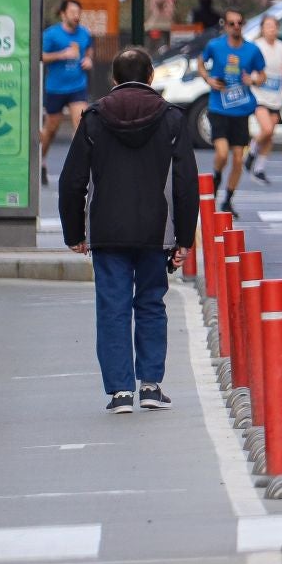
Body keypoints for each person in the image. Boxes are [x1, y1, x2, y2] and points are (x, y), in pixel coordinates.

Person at [58, 46, 199, 415]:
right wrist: (185, 238)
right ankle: (150, 385)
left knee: (113, 308)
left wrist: (74, 232)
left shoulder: (93, 118)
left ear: (114, 79)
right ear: (151, 76)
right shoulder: (171, 119)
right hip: (157, 230)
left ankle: (120, 391)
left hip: (107, 229)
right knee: (151, 304)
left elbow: (72, 180)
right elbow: (186, 182)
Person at [199, 9, 266, 216]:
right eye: (231, 23)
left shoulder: (252, 50)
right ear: (225, 26)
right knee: (222, 152)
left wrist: (253, 80)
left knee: (238, 158)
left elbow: (262, 75)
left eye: (239, 22)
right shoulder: (215, 46)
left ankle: (228, 199)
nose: (236, 26)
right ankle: (217, 175)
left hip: (241, 110)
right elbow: (200, 62)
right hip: (218, 107)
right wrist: (208, 79)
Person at [39, 0, 95, 186]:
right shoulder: (51, 34)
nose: (76, 16)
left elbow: (88, 51)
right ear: (63, 14)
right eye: (72, 12)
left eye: (78, 12)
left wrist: (88, 60)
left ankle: (78, 169)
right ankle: (41, 161)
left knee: (81, 125)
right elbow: (41, 56)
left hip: (77, 86)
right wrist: (62, 55)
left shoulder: (84, 33)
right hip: (55, 88)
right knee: (51, 129)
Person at [248, 15, 282, 186]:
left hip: (276, 95)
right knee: (266, 129)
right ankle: (251, 151)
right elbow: (248, 66)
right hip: (259, 94)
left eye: (274, 26)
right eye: (267, 26)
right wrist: (253, 78)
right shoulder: (256, 46)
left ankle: (259, 169)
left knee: (270, 135)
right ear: (262, 28)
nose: (271, 29)